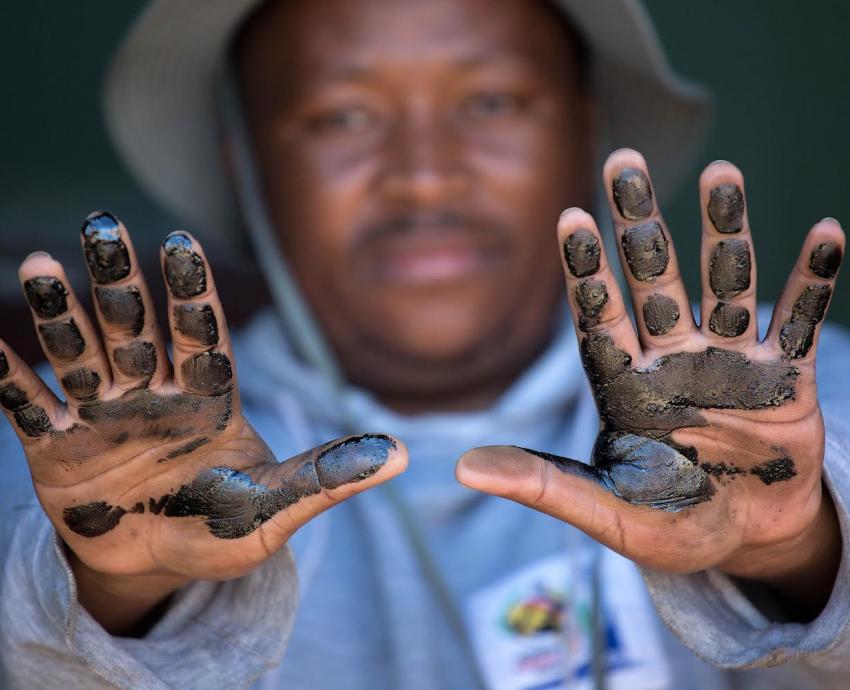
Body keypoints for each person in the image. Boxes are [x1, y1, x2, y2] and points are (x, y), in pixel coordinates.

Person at [1, 0, 848, 688]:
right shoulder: (73, 447)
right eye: (343, 115)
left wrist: (799, 549)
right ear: (246, 164)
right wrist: (113, 588)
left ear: (584, 131)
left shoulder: (802, 397)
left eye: (491, 102)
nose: (425, 171)